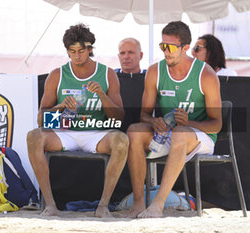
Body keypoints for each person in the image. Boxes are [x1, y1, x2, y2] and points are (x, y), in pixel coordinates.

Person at [27, 23, 129, 217]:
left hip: (97, 133)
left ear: (90, 49)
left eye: (81, 50)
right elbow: (42, 119)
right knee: (34, 136)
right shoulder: (57, 75)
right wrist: (61, 106)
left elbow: (119, 118)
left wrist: (101, 95)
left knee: (122, 140)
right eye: (72, 51)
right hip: (66, 132)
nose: (77, 55)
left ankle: (103, 206)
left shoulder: (107, 74)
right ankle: (50, 205)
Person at [126, 21, 222, 218]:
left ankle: (157, 205)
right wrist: (154, 122)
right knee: (134, 131)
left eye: (170, 47)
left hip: (200, 137)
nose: (165, 51)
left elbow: (217, 124)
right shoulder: (155, 71)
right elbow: (144, 114)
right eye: (162, 46)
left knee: (180, 132)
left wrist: (189, 123)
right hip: (172, 134)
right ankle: (137, 203)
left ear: (186, 48)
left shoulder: (206, 74)